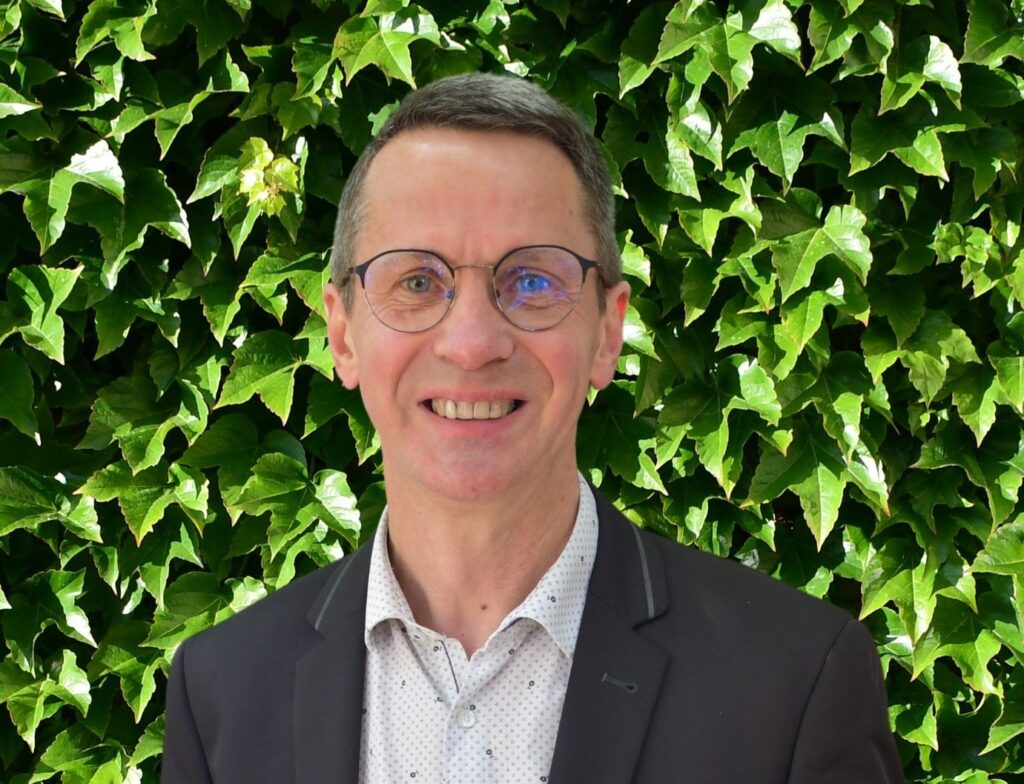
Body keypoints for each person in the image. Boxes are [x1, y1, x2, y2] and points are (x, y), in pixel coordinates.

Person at [161, 73, 904, 783]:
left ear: (607, 333)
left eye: (532, 280)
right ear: (343, 334)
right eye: (416, 281)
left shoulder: (795, 684)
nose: (472, 343)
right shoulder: (223, 692)